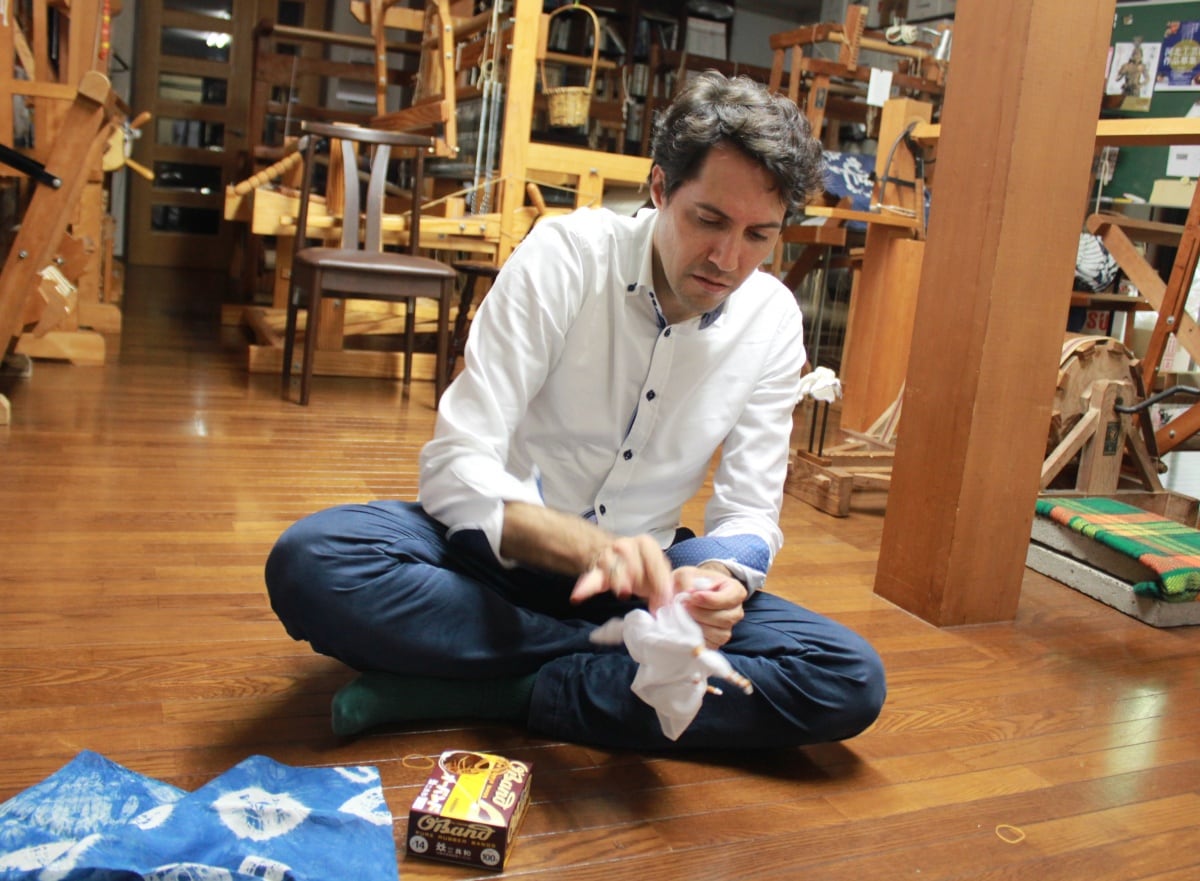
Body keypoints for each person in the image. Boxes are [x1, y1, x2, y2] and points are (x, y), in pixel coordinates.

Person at [265, 71, 886, 751]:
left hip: (649, 588)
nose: (727, 258)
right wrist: (600, 554)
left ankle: (503, 688)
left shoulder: (770, 321)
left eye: (759, 235)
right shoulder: (565, 257)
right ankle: (612, 668)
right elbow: (455, 467)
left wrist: (716, 576)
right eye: (707, 219)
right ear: (658, 189)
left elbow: (748, 513)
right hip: (501, 559)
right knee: (315, 562)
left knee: (846, 677)